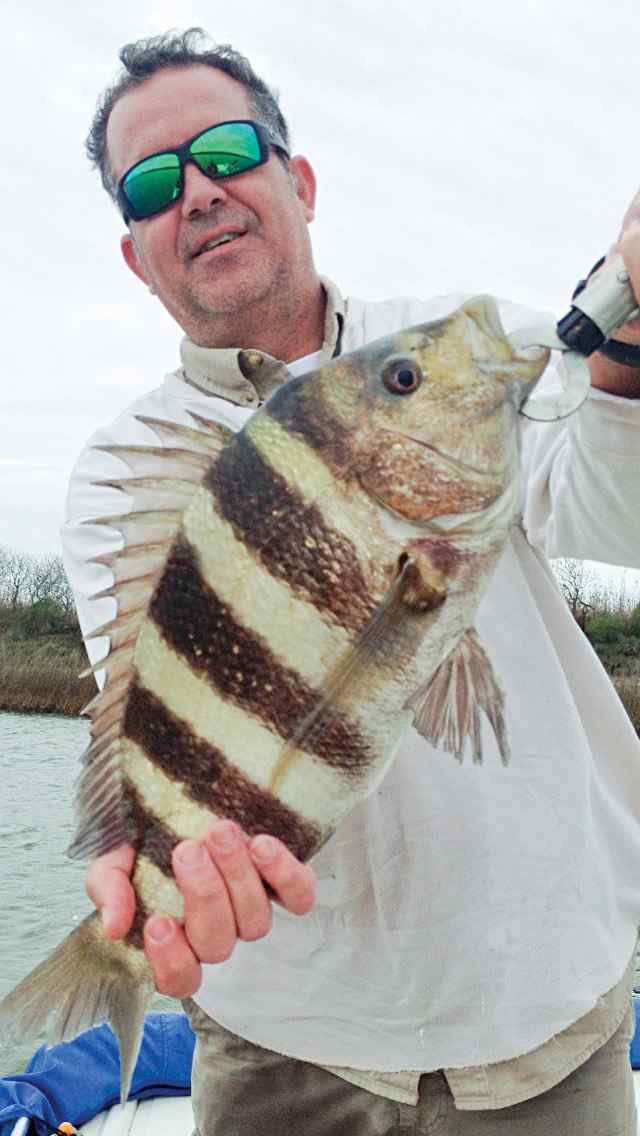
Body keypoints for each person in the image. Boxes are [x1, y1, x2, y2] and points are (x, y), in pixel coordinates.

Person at [61, 28, 640, 1136]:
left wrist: (628, 355)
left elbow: (618, 510)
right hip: (282, 1040)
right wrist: (161, 883)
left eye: (229, 151)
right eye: (151, 184)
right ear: (136, 253)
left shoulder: (441, 362)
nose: (199, 191)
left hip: (541, 1004)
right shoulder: (123, 472)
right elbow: (155, 729)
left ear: (302, 184)